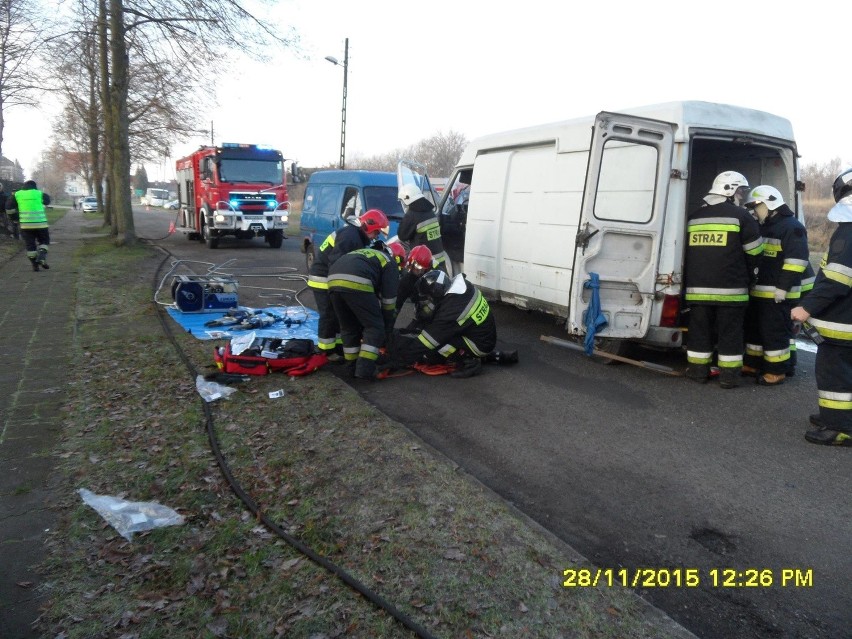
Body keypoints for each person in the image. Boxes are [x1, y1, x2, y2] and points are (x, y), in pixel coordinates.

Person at [790, 167, 852, 447]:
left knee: (834, 375)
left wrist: (806, 308)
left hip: (843, 324)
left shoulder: (848, 234)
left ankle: (839, 428)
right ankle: (837, 417)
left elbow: (836, 281)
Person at [684, 171, 763, 388]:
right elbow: (755, 252)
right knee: (731, 334)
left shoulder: (694, 217)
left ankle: (697, 372)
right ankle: (729, 377)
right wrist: (752, 277)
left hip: (697, 290)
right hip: (732, 291)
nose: (741, 195)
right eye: (740, 190)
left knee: (700, 332)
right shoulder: (742, 217)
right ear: (729, 190)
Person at [741, 185, 809, 386]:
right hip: (759, 292)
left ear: (770, 203)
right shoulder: (763, 226)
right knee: (754, 330)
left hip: (778, 294)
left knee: (774, 333)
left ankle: (776, 371)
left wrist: (783, 288)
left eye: (757, 205)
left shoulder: (792, 227)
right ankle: (753, 363)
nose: (755, 210)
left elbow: (797, 262)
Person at [381, 269, 499, 378]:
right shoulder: (459, 288)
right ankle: (474, 355)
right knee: (428, 332)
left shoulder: (451, 310)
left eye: (427, 299)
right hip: (478, 334)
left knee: (433, 350)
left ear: (435, 295)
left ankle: (468, 360)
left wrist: (398, 359)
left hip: (478, 345)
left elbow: (427, 342)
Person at [307, 209, 389, 359]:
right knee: (329, 314)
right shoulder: (351, 237)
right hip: (323, 278)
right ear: (367, 226)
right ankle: (325, 350)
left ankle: (338, 346)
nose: (376, 236)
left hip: (330, 277)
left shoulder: (355, 235)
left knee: (339, 315)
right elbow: (337, 263)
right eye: (376, 232)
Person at [327, 240, 404, 380]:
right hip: (357, 281)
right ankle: (365, 369)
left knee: (349, 326)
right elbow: (389, 302)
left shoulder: (367, 253)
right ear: (397, 258)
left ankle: (351, 365)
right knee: (374, 327)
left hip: (333, 280)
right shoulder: (390, 262)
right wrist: (386, 327)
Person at [397, 183, 451, 274]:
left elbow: (402, 235)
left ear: (407, 199)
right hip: (439, 261)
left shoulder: (412, 215)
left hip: (423, 262)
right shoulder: (430, 212)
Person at [6, 180, 51, 270]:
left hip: (25, 225)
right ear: (35, 186)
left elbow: (9, 208)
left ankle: (35, 265)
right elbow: (47, 201)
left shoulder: (17, 195)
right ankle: (41, 256)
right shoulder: (39, 193)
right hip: (41, 224)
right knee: (44, 242)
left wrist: (15, 218)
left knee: (30, 245)